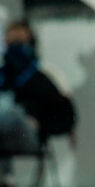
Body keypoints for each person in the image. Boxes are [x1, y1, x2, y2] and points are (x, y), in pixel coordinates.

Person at [0, 22, 75, 153]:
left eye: (20, 41)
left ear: (31, 43)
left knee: (12, 116)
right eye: (11, 42)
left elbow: (66, 118)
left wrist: (40, 124)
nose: (15, 46)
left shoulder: (48, 76)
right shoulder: (3, 76)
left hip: (30, 136)